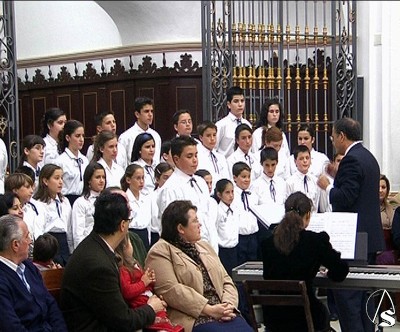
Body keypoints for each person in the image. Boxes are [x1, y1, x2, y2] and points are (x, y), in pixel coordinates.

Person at [60, 192, 166, 331]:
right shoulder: (98, 265)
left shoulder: (95, 246)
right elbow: (123, 321)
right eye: (129, 220)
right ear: (122, 225)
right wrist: (151, 308)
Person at [317, 117, 384, 332]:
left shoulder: (351, 159)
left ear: (342, 136)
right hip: (369, 238)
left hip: (352, 239)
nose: (332, 140)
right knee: (366, 301)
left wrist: (327, 186)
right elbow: (359, 191)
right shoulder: (368, 157)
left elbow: (345, 198)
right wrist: (339, 177)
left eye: (333, 136)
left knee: (349, 299)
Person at [145, 200, 253, 332]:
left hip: (223, 312)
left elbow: (226, 279)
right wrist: (208, 309)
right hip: (194, 317)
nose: (200, 224)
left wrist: (228, 305)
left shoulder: (204, 246)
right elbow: (171, 290)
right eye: (195, 221)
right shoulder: (160, 251)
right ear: (180, 228)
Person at [261, 191, 349, 332]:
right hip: (305, 318)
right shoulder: (315, 241)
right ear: (308, 215)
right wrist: (329, 272)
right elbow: (341, 271)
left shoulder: (267, 243)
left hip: (274, 319)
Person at [0, 214, 67, 331]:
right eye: (27, 236)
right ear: (15, 244)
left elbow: (50, 304)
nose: (30, 241)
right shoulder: (2, 280)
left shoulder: (28, 266)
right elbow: (11, 327)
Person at [157, 135, 219, 254]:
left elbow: (207, 216)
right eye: (189, 156)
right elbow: (171, 229)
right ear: (176, 159)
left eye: (196, 155)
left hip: (209, 247)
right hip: (187, 252)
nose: (195, 160)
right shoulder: (170, 188)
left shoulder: (200, 182)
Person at [115, 233, 184, 332]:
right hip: (141, 306)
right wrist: (144, 282)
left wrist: (150, 281)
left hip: (150, 300)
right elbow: (127, 291)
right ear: (124, 247)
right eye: (130, 242)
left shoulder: (135, 264)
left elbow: (146, 288)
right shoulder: (123, 270)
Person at [34, 164, 72, 266]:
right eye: (56, 178)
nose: (61, 182)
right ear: (45, 181)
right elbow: (38, 230)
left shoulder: (65, 201)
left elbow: (69, 227)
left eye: (61, 178)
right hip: (49, 242)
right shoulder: (39, 203)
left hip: (64, 243)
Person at [71, 162, 106, 250]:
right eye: (97, 177)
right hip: (89, 248)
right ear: (89, 180)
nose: (102, 180)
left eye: (103, 177)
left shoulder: (108, 200)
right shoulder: (81, 202)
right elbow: (78, 234)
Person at [119, 96, 162, 166]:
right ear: (137, 114)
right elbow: (122, 163)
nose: (150, 114)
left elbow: (157, 161)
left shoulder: (156, 136)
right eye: (146, 111)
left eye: (152, 111)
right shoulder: (126, 137)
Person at [54, 119, 89, 205]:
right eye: (77, 136)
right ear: (68, 138)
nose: (81, 139)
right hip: (67, 201)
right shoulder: (60, 161)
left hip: (83, 200)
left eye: (82, 136)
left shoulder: (84, 160)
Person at [120, 164, 152, 251]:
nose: (141, 181)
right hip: (131, 236)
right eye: (138, 178)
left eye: (143, 178)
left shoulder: (146, 199)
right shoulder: (124, 199)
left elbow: (148, 223)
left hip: (144, 236)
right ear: (128, 180)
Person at [215, 86, 252, 158]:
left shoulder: (247, 124)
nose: (240, 104)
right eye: (236, 101)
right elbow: (214, 148)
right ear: (229, 104)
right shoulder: (221, 125)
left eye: (242, 101)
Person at [213, 178, 239, 277]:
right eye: (227, 192)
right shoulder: (217, 211)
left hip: (235, 248)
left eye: (232, 192)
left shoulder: (235, 208)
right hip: (224, 250)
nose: (231, 195)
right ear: (219, 195)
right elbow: (215, 230)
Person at [286, 145, 320, 212]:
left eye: (307, 158)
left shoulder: (315, 181)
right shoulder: (290, 182)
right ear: (295, 161)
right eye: (301, 158)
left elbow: (317, 202)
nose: (305, 161)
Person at [196, 121, 230, 190]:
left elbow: (227, 177)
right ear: (201, 138)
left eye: (214, 135)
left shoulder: (221, 157)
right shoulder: (198, 156)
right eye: (208, 135)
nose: (212, 139)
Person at [150, 162, 174, 246]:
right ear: (157, 179)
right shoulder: (151, 197)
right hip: (156, 235)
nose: (168, 181)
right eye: (165, 178)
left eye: (171, 178)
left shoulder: (175, 193)